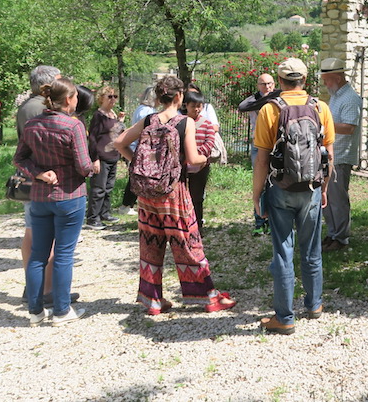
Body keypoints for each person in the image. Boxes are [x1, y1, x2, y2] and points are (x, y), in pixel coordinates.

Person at [114, 76, 236, 315]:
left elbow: (120, 142)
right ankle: (207, 297)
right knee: (188, 243)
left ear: (160, 97)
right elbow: (192, 158)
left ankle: (153, 300)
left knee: (151, 244)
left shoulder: (149, 119)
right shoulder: (185, 122)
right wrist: (207, 157)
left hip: (148, 195)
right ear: (179, 96)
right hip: (174, 192)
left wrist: (140, 164)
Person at [253, 58, 335, 335]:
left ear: (281, 80)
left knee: (283, 251)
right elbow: (328, 154)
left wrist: (256, 196)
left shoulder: (270, 110)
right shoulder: (320, 107)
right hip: (311, 190)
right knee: (312, 250)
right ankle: (314, 305)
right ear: (305, 78)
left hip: (281, 189)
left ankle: (285, 318)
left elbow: (262, 160)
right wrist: (323, 188)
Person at [14, 77, 97, 326]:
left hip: (40, 197)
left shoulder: (32, 124)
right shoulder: (73, 126)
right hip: (70, 197)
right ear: (70, 99)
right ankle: (61, 310)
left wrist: (39, 172)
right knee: (63, 254)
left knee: (38, 254)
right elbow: (83, 166)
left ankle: (35, 311)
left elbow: (19, 159)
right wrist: (93, 167)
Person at [15, 65, 78, 309]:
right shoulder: (38, 109)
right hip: (45, 182)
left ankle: (37, 290)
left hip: (38, 178)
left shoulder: (30, 106)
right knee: (42, 240)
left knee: (35, 236)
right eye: (61, 79)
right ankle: (46, 291)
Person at [319, 58, 362, 252]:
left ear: (337, 77)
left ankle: (341, 238)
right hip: (332, 154)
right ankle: (333, 233)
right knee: (327, 197)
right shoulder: (337, 96)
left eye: (327, 80)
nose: (325, 84)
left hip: (341, 156)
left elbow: (349, 127)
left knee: (338, 199)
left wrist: (324, 125)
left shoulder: (350, 98)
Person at [238, 73, 277, 236]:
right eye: (263, 84)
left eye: (269, 84)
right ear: (257, 86)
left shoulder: (278, 96)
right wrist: (267, 99)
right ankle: (259, 221)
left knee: (275, 181)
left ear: (274, 84)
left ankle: (274, 220)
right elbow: (242, 107)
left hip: (276, 144)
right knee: (259, 183)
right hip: (258, 144)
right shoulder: (252, 101)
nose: (267, 87)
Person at [86, 85, 124, 230]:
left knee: (108, 187)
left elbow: (115, 133)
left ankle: (105, 213)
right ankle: (92, 218)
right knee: (98, 188)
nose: (113, 100)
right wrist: (94, 159)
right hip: (101, 156)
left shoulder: (112, 114)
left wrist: (120, 121)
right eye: (110, 96)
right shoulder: (99, 115)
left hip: (113, 155)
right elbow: (93, 138)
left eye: (115, 96)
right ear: (101, 98)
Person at [118, 86, 157, 216]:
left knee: (136, 178)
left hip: (138, 147)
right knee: (137, 179)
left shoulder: (142, 109)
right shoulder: (147, 111)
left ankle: (129, 204)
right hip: (142, 148)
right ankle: (126, 205)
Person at [182, 89, 217, 230]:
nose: (196, 109)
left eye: (199, 106)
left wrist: (196, 155)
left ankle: (197, 226)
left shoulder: (207, 124)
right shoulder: (181, 122)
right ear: (186, 106)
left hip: (201, 166)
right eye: (193, 106)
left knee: (197, 197)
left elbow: (209, 142)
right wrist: (186, 157)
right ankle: (183, 225)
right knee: (182, 197)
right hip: (182, 166)